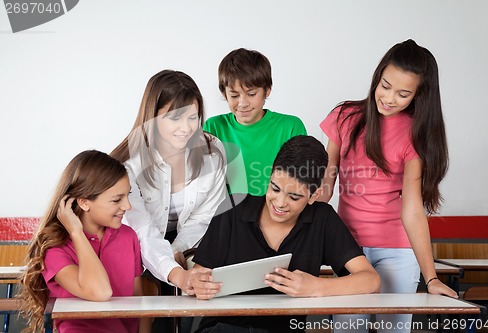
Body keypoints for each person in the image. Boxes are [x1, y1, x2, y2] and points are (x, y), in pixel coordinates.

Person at [318, 39, 458, 333]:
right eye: (385, 85)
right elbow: (325, 188)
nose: (389, 98)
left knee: (391, 330)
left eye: (403, 93)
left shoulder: (414, 135)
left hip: (396, 250)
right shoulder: (345, 117)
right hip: (348, 248)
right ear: (377, 76)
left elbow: (412, 209)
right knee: (347, 329)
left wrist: (431, 278)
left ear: (419, 96)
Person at [189, 135, 381, 333]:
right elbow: (198, 277)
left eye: (294, 196)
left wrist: (316, 287)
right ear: (270, 176)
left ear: (313, 196)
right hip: (223, 328)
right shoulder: (232, 208)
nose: (280, 203)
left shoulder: (322, 218)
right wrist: (199, 284)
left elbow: (371, 280)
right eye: (275, 188)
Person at [111, 70, 226, 331]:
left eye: (192, 117)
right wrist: (173, 268)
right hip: (136, 251)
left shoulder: (212, 151)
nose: (186, 127)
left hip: (192, 244)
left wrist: (180, 249)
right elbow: (142, 233)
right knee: (151, 319)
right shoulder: (126, 165)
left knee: (204, 305)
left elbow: (206, 216)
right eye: (175, 117)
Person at [19, 150, 148, 333]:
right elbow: (100, 292)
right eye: (117, 200)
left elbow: (139, 301)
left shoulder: (128, 236)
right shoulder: (55, 248)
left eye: (128, 195)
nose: (127, 206)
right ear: (84, 203)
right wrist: (76, 232)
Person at [203, 48, 307, 196]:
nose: (243, 103)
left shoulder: (290, 127)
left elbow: (300, 183)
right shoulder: (214, 127)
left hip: (276, 213)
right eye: (234, 95)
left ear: (267, 90)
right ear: (224, 94)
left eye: (251, 94)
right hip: (228, 215)